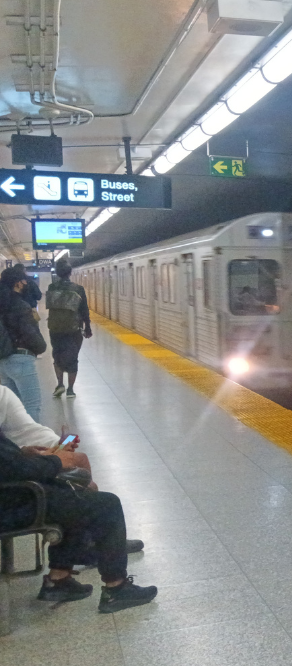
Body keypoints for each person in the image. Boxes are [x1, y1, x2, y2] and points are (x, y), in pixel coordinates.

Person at [0, 434, 157, 612]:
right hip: (13, 505)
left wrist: (22, 452)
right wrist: (55, 462)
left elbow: (8, 462)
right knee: (106, 504)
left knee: (70, 498)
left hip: (14, 497)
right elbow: (12, 469)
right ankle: (116, 588)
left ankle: (59, 579)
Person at [0, 265, 47, 420]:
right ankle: (35, 442)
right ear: (17, 283)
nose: (26, 283)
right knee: (32, 405)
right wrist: (42, 347)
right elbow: (30, 334)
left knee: (14, 409)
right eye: (24, 280)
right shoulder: (20, 305)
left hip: (4, 361)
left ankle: (18, 443)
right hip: (21, 359)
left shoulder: (2, 303)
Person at [47, 259, 92, 399]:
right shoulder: (78, 289)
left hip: (55, 329)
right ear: (70, 272)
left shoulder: (52, 287)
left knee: (57, 355)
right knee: (73, 358)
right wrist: (88, 327)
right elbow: (84, 310)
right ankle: (71, 390)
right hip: (73, 330)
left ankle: (60, 384)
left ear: (58, 273)